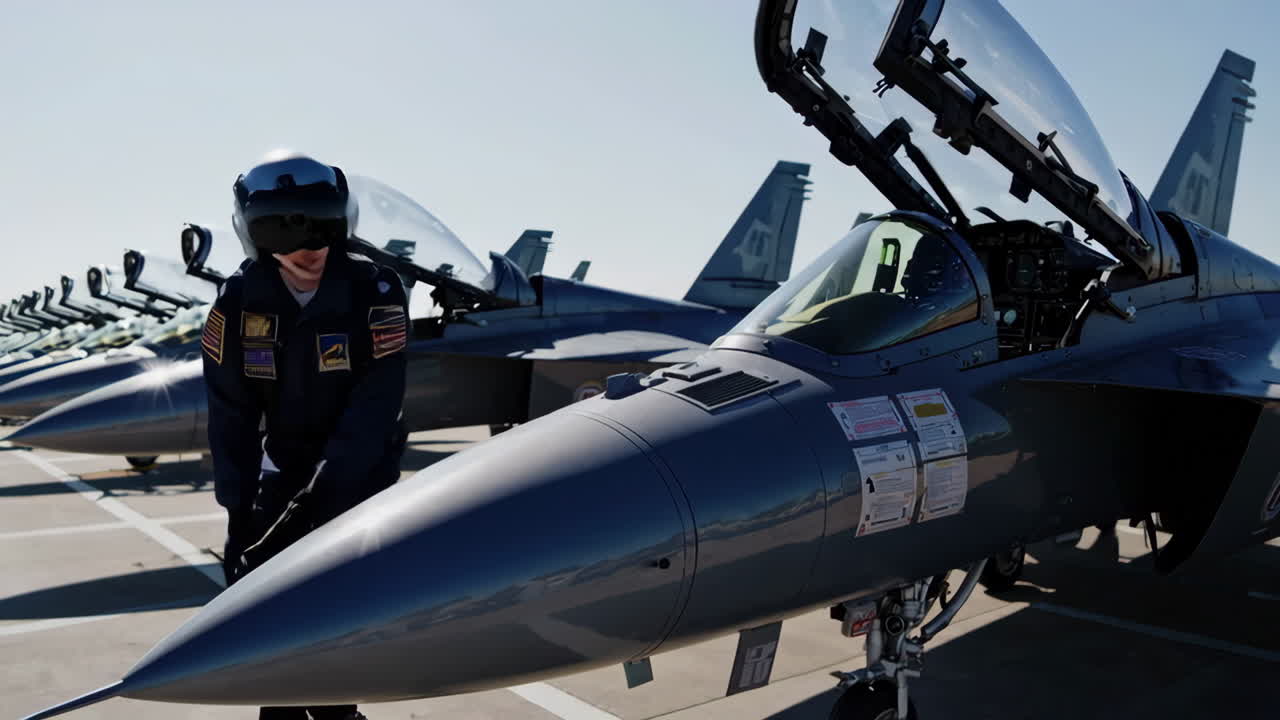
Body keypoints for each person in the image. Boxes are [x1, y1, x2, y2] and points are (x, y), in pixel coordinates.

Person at [202, 152, 409, 720]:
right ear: (256, 234)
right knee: (275, 632)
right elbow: (231, 414)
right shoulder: (238, 300)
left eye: (322, 223)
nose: (308, 243)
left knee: (339, 620)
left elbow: (375, 406)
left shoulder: (376, 289)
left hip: (358, 480)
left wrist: (314, 503)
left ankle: (339, 713)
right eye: (284, 228)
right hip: (282, 474)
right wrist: (237, 513)